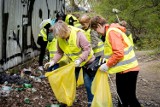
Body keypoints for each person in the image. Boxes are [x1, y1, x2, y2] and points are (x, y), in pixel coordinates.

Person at [90, 16, 141, 107]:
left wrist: (107, 65)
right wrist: (106, 61)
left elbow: (119, 53)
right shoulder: (111, 31)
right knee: (122, 98)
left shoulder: (111, 32)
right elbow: (112, 52)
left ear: (99, 25)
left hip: (128, 70)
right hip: (124, 69)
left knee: (130, 98)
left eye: (95, 29)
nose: (96, 32)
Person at [44, 20, 96, 107]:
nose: (62, 38)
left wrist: (80, 59)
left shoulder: (78, 34)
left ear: (65, 30)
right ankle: (67, 101)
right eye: (59, 36)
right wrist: (53, 61)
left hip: (87, 62)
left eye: (62, 35)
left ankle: (91, 103)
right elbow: (59, 52)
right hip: (74, 63)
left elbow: (87, 49)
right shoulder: (60, 38)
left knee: (88, 84)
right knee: (70, 82)